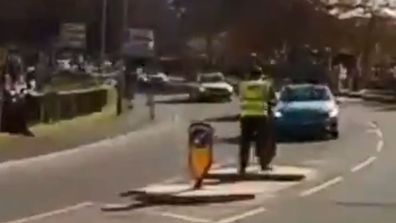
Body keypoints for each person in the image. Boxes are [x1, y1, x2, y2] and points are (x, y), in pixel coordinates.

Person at [238, 66, 276, 175]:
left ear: (250, 75)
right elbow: (272, 100)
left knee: (245, 142)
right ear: (261, 75)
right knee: (262, 141)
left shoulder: (243, 85)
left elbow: (240, 98)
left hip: (246, 116)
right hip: (261, 115)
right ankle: (263, 164)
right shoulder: (266, 85)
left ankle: (243, 167)